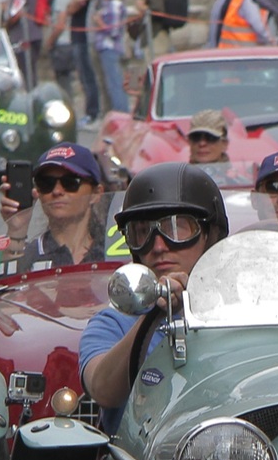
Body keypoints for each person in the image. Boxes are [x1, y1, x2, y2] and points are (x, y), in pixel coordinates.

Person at [81, 164, 231, 428]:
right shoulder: (112, 322)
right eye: (142, 232)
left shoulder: (242, 310)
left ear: (210, 235)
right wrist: (154, 312)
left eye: (177, 228)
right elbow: (102, 389)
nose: (159, 246)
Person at [0, 142, 110, 265]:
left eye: (70, 182)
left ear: (96, 193)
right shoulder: (29, 254)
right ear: (38, 192)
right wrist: (17, 228)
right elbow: (4, 281)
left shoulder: (115, 250)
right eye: (46, 183)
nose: (57, 191)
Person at [90, 0, 130, 114]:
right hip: (104, 48)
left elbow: (114, 31)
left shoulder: (114, 5)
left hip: (110, 48)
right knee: (109, 82)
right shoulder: (107, 4)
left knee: (115, 83)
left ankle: (122, 112)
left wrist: (99, 22)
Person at [186, 107, 231, 173]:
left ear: (224, 144)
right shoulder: (178, 181)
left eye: (210, 138)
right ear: (189, 142)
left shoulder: (238, 182)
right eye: (196, 137)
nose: (202, 143)